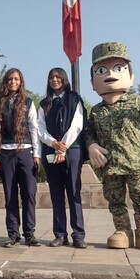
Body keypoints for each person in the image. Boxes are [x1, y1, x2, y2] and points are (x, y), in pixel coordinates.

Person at [83, 42, 140, 251]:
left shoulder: (136, 102)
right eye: (102, 71)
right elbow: (88, 132)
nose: (110, 74)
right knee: (115, 199)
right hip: (111, 164)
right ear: (92, 82)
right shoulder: (95, 111)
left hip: (136, 162)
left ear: (130, 76)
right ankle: (123, 230)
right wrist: (92, 145)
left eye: (119, 68)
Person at [37, 67, 87, 249]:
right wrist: (53, 144)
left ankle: (78, 234)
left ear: (64, 79)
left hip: (72, 150)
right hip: (51, 151)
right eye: (51, 77)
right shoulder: (44, 104)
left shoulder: (74, 99)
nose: (54, 80)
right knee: (56, 194)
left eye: (58, 77)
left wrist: (63, 147)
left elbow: (77, 124)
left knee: (73, 191)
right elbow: (39, 128)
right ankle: (60, 234)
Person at [0, 68, 42, 247]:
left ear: (21, 82)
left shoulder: (28, 102)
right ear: (5, 82)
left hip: (25, 150)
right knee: (10, 195)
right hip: (5, 152)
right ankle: (13, 234)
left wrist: (37, 153)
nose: (13, 82)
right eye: (10, 79)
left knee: (29, 192)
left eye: (16, 79)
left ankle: (29, 233)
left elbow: (34, 128)